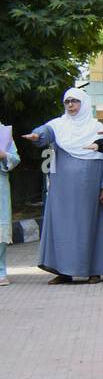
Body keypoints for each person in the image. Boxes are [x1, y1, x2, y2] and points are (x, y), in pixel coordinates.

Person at [22, 88, 103, 284]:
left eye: (75, 101)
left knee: (89, 226)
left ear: (84, 103)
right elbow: (45, 132)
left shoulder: (96, 127)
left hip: (88, 186)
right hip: (62, 186)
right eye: (67, 101)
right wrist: (37, 135)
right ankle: (63, 271)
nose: (71, 105)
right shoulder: (58, 125)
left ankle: (94, 270)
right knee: (62, 226)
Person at [0, 119, 19, 286]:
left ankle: (0, 270)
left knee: (1, 228)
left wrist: (4, 155)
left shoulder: (3, 132)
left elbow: (16, 158)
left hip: (0, 186)